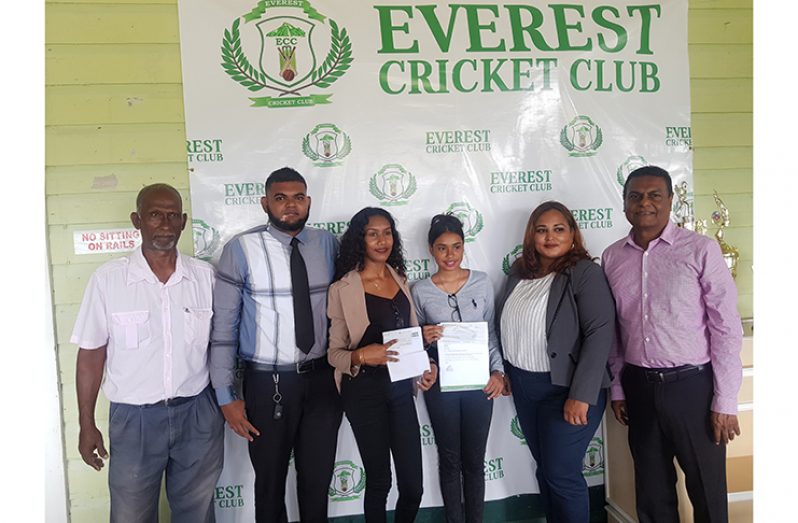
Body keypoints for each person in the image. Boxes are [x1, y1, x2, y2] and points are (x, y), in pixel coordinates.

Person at [71, 184, 224, 523]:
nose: (165, 224)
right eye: (155, 215)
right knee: (131, 516)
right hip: (134, 420)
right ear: (137, 220)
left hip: (198, 414)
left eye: (173, 216)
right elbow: (91, 356)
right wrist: (86, 422)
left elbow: (222, 347)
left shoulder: (205, 278)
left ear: (184, 222)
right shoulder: (108, 281)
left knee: (197, 514)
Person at [603, 165, 742, 523]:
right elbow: (615, 331)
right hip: (639, 387)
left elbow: (725, 326)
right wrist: (618, 388)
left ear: (670, 201)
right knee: (652, 494)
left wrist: (725, 399)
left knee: (707, 492)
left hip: (693, 388)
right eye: (635, 196)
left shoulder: (701, 250)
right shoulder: (612, 257)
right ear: (624, 204)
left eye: (654, 195)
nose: (644, 203)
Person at [210, 167, 343, 523]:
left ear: (309, 201)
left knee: (317, 483)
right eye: (280, 198)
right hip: (267, 385)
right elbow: (223, 327)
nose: (290, 206)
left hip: (321, 382)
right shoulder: (241, 249)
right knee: (269, 485)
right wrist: (226, 397)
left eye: (298, 197)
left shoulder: (328, 245)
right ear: (265, 202)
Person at [496, 200, 615, 523]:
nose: (550, 237)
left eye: (559, 229)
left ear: (573, 234)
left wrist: (581, 396)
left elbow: (600, 334)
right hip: (525, 387)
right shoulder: (519, 273)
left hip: (568, 390)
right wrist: (504, 371)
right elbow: (508, 324)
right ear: (531, 235)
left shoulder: (584, 272)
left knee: (561, 474)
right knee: (547, 471)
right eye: (542, 230)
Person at [327, 207, 437, 523]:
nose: (381, 240)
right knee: (379, 482)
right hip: (363, 392)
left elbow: (408, 339)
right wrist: (362, 355)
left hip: (401, 389)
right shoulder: (343, 288)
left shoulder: (399, 278)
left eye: (387, 232)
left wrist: (426, 362)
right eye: (372, 233)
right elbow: (334, 354)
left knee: (413, 486)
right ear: (359, 239)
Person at [410, 214, 505, 523]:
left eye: (456, 247)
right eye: (442, 248)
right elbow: (418, 342)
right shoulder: (420, 290)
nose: (450, 256)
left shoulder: (481, 281)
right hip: (442, 387)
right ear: (430, 250)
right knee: (449, 459)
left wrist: (498, 372)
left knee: (474, 461)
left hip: (479, 384)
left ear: (464, 247)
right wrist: (425, 343)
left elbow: (490, 331)